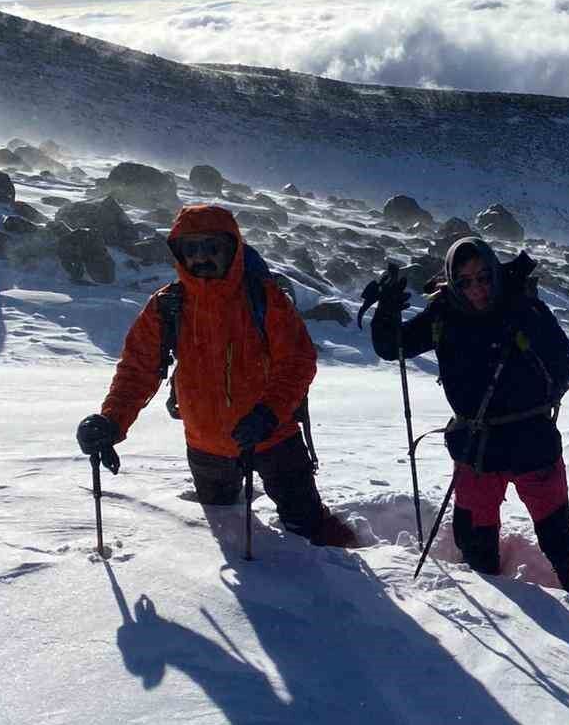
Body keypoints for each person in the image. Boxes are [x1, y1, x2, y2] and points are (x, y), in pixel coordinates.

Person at [75, 203, 358, 547]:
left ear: (232, 249)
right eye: (190, 249)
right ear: (179, 253)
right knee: (221, 530)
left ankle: (347, 587)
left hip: (272, 437)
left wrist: (267, 414)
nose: (201, 257)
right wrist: (111, 422)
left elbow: (297, 362)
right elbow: (138, 370)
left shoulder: (264, 298)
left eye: (212, 247)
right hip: (205, 444)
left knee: (313, 530)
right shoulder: (167, 306)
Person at [368, 237, 569, 599]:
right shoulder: (444, 314)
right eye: (464, 281)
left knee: (559, 541)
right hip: (477, 452)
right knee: (474, 542)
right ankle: (496, 605)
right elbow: (392, 347)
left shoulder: (523, 308)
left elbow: (566, 363)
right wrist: (385, 311)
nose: (476, 288)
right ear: (452, 281)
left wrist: (524, 396)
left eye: (483, 277)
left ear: (495, 272)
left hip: (531, 445)